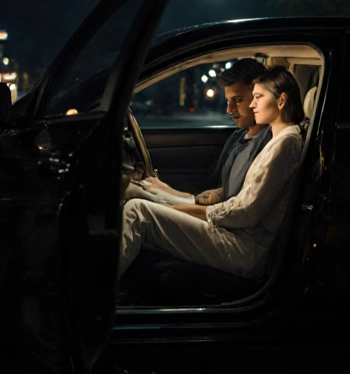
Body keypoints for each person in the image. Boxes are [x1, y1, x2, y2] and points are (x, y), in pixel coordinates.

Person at [119, 66, 306, 281]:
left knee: (138, 211)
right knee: (141, 205)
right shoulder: (279, 141)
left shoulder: (286, 144)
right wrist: (183, 209)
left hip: (244, 248)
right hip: (237, 236)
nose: (252, 104)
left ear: (281, 101)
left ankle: (92, 299)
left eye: (258, 97)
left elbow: (247, 212)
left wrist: (189, 210)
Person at [138, 58, 273, 206]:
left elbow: (238, 210)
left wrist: (170, 200)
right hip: (214, 210)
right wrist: (166, 191)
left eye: (238, 100)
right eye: (228, 101)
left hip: (222, 220)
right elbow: (218, 190)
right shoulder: (239, 137)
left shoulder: (269, 145)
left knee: (137, 207)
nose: (229, 110)